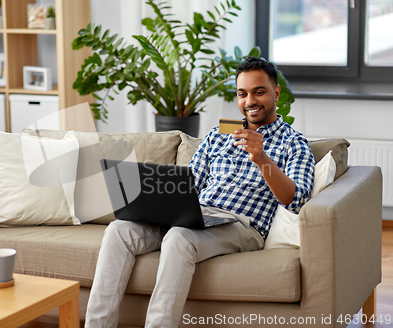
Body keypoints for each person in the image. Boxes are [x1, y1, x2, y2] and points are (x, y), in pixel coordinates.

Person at [85, 56, 315, 328]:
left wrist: (261, 158)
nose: (250, 101)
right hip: (195, 214)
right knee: (118, 230)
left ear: (276, 92)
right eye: (242, 94)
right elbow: (190, 182)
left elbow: (296, 199)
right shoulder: (220, 133)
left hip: (241, 225)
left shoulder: (293, 141)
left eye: (259, 92)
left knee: (180, 238)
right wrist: (159, 200)